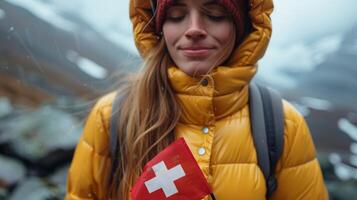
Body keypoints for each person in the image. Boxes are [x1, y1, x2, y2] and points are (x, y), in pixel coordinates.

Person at [65, 0, 329, 199]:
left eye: (214, 14)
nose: (194, 29)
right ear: (158, 28)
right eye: (176, 15)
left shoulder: (282, 124)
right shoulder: (111, 116)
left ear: (243, 27)